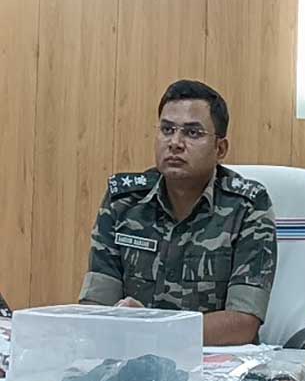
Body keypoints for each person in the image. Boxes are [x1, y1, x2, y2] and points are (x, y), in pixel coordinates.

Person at [79, 80, 276, 346]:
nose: (175, 143)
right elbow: (96, 305)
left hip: (214, 362)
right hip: (129, 356)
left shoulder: (248, 207)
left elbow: (243, 323)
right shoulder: (123, 202)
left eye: (192, 133)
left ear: (220, 149)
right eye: (167, 130)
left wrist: (154, 328)